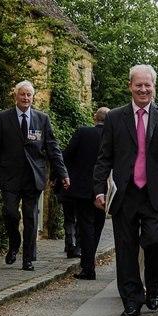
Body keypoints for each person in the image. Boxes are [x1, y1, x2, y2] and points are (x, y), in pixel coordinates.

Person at [93, 65, 158, 316]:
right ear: (130, 86)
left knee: (155, 243)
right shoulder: (115, 118)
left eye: (148, 85)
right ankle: (132, 299)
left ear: (154, 87)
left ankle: (153, 286)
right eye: (138, 85)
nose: (143, 89)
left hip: (156, 194)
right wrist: (99, 189)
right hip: (125, 194)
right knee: (125, 249)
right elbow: (104, 157)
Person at [0, 80, 69, 271]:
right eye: (22, 94)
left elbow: (53, 148)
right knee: (10, 213)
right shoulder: (3, 118)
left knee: (31, 217)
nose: (26, 98)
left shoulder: (42, 119)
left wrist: (63, 173)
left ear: (33, 97)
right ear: (16, 96)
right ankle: (14, 243)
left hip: (33, 176)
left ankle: (28, 258)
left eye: (29, 95)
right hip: (9, 176)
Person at [63, 107, 109, 280]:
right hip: (104, 189)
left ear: (94, 118)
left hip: (83, 189)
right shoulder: (114, 136)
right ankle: (89, 262)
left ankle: (88, 266)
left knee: (86, 226)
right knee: (97, 226)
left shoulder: (83, 132)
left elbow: (66, 155)